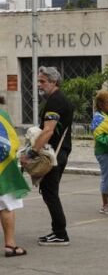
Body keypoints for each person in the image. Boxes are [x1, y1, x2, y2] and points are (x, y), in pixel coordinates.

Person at [20, 66, 73, 246]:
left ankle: (60, 233)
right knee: (50, 193)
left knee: (50, 193)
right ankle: (58, 231)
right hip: (60, 152)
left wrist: (31, 153)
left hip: (55, 154)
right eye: (39, 81)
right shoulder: (57, 99)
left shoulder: (55, 101)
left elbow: (48, 130)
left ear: (53, 82)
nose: (39, 85)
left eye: (42, 81)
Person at [0, 99, 30, 257]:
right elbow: (11, 142)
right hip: (4, 171)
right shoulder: (3, 116)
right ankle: (10, 245)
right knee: (7, 206)